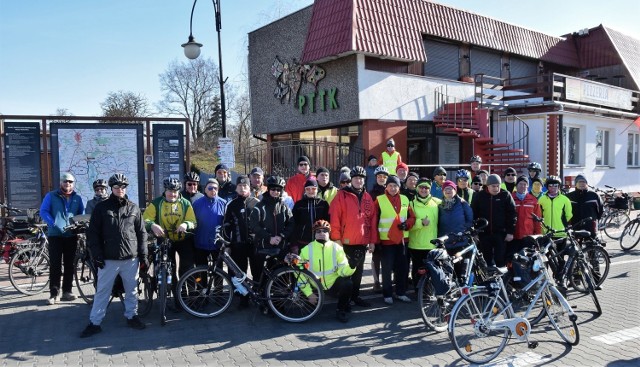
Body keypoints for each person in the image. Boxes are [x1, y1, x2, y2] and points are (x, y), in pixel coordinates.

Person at [80, 173, 147, 337]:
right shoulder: (101, 208)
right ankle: (95, 322)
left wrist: (143, 255)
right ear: (111, 188)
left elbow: (142, 233)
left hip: (130, 258)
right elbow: (93, 234)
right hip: (109, 259)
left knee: (132, 291)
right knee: (102, 292)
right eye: (117, 187)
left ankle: (132, 317)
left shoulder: (133, 207)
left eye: (123, 186)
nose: (120, 189)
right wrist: (96, 255)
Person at [329, 166, 377, 307]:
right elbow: (335, 218)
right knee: (345, 274)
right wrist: (337, 239)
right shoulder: (341, 195)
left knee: (358, 272)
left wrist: (372, 241)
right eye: (356, 178)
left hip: (361, 242)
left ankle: (355, 297)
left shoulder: (368, 197)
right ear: (351, 180)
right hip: (345, 243)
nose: (358, 181)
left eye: (361, 178)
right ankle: (345, 301)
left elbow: (372, 221)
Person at [40, 172, 85, 305]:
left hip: (71, 235)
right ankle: (54, 293)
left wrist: (77, 225)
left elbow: (80, 213)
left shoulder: (77, 198)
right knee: (55, 264)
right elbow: (44, 211)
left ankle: (67, 291)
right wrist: (53, 223)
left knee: (70, 264)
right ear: (61, 183)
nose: (68, 184)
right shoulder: (51, 196)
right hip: (55, 235)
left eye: (70, 182)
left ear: (73, 184)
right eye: (65, 181)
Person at [299, 220, 357, 323]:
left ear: (329, 233)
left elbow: (343, 272)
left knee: (347, 283)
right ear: (314, 234)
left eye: (324, 231)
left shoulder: (337, 248)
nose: (321, 233)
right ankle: (311, 301)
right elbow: (299, 274)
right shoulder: (306, 250)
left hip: (332, 285)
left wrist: (352, 266)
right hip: (314, 286)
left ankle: (341, 310)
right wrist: (308, 293)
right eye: (318, 231)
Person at [373, 175, 416, 304]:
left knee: (402, 268)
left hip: (402, 240)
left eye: (395, 186)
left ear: (399, 187)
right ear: (386, 187)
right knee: (386, 269)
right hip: (386, 241)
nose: (393, 188)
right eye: (390, 185)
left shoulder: (405, 199)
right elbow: (374, 222)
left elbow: (412, 217)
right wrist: (375, 241)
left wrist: (407, 224)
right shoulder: (379, 200)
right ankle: (387, 295)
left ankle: (400, 293)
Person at [143, 177, 197, 279]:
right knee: (169, 266)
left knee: (187, 267)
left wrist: (185, 224)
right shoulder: (156, 203)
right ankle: (172, 290)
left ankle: (187, 293)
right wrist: (152, 225)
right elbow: (145, 219)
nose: (172, 194)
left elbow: (193, 222)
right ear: (165, 190)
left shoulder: (185, 203)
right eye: (170, 191)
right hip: (165, 239)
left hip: (183, 239)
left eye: (175, 191)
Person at [223, 175, 260, 308]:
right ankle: (243, 298)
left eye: (245, 186)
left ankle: (258, 296)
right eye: (240, 186)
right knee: (240, 273)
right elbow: (226, 225)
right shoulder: (231, 205)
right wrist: (227, 244)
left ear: (249, 188)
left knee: (257, 271)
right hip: (238, 245)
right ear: (236, 188)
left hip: (254, 244)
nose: (242, 188)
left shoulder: (256, 202)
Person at [250, 175, 294, 282]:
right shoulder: (259, 206)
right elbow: (254, 225)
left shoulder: (284, 207)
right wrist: (269, 237)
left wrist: (281, 236)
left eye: (278, 190)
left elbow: (291, 224)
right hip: (263, 246)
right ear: (268, 189)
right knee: (260, 278)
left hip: (280, 246)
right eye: (273, 189)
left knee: (279, 278)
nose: (275, 192)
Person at [470, 174, 517, 267]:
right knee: (485, 259)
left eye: (498, 185)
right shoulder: (479, 196)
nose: (496, 188)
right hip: (483, 233)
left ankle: (501, 280)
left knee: (500, 258)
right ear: (487, 186)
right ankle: (487, 280)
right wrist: (474, 232)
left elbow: (512, 214)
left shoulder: (505, 195)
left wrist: (510, 232)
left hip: (500, 233)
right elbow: (473, 214)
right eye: (493, 186)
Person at [408, 178, 441, 289]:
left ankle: (428, 291)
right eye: (421, 187)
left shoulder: (436, 202)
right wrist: (420, 223)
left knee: (431, 270)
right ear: (417, 188)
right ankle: (417, 290)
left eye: (426, 187)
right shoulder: (411, 203)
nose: (424, 189)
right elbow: (408, 224)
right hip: (416, 244)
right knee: (418, 269)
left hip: (431, 244)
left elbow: (451, 200)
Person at [192, 178, 227, 267]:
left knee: (218, 272)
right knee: (200, 271)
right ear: (205, 189)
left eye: (215, 188)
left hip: (217, 244)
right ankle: (201, 281)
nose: (213, 190)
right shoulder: (197, 204)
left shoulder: (223, 204)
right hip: (200, 243)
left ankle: (218, 281)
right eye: (210, 188)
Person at [290, 177, 330, 254]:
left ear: (317, 189)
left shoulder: (323, 204)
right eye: (308, 189)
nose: (311, 191)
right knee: (303, 265)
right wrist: (294, 244)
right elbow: (293, 225)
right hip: (302, 242)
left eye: (313, 189)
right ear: (305, 190)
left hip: (320, 242)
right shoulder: (299, 205)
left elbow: (328, 223)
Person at [510, 175, 542, 259]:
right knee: (513, 259)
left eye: (525, 184)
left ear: (528, 186)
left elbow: (537, 219)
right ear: (516, 185)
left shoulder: (533, 200)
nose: (523, 186)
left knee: (528, 259)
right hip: (514, 235)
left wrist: (538, 235)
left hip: (528, 236)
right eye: (520, 184)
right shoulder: (510, 198)